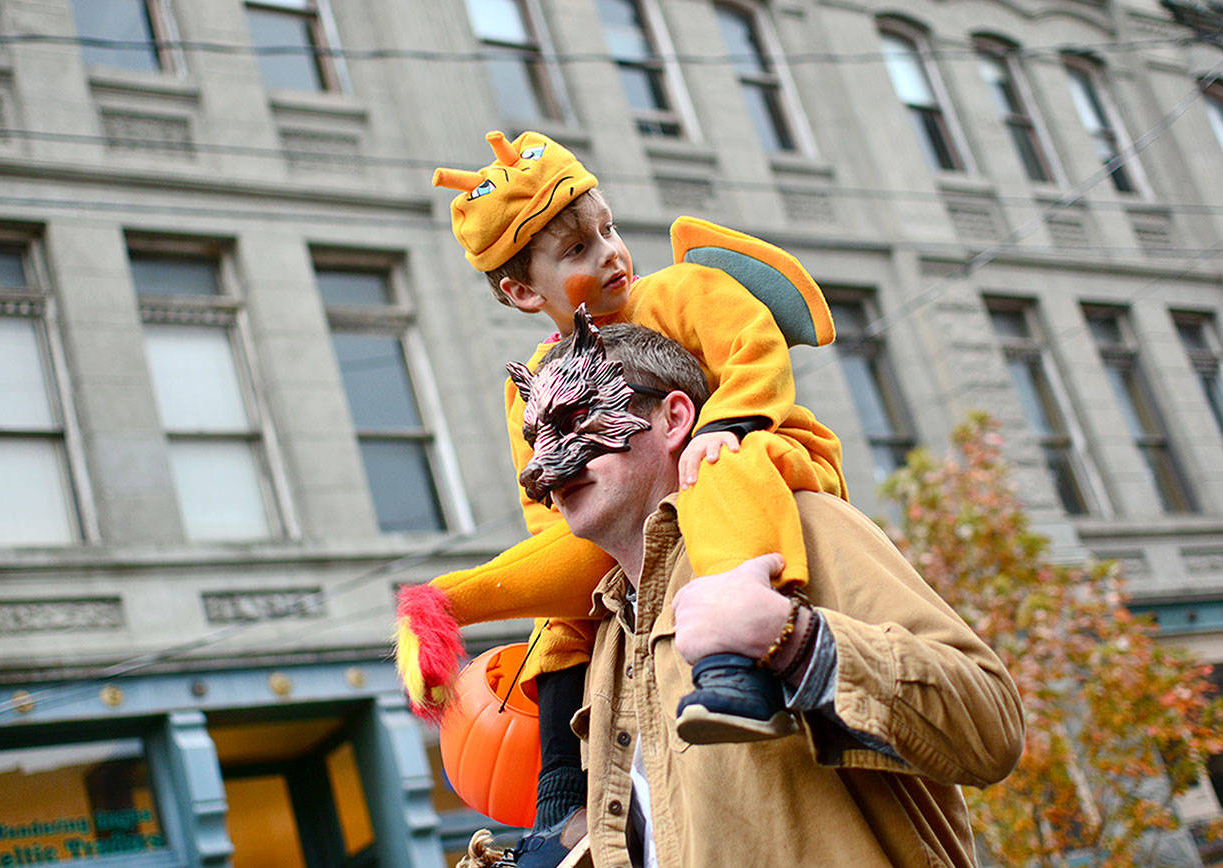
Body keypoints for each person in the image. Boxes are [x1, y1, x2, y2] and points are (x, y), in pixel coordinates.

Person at [395, 129, 845, 861]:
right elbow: (568, 543)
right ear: (519, 290)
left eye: (607, 229)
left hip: (761, 459)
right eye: (576, 249)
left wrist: (722, 423)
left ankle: (735, 665)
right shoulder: (533, 387)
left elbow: (754, 351)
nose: (610, 253)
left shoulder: (678, 292)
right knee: (561, 621)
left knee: (716, 471)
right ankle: (557, 810)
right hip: (645, 546)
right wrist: (449, 602)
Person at [514, 313, 1024, 867]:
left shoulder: (801, 525)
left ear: (674, 418)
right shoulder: (607, 632)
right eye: (537, 438)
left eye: (576, 419)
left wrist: (794, 640)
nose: (545, 463)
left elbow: (991, 723)